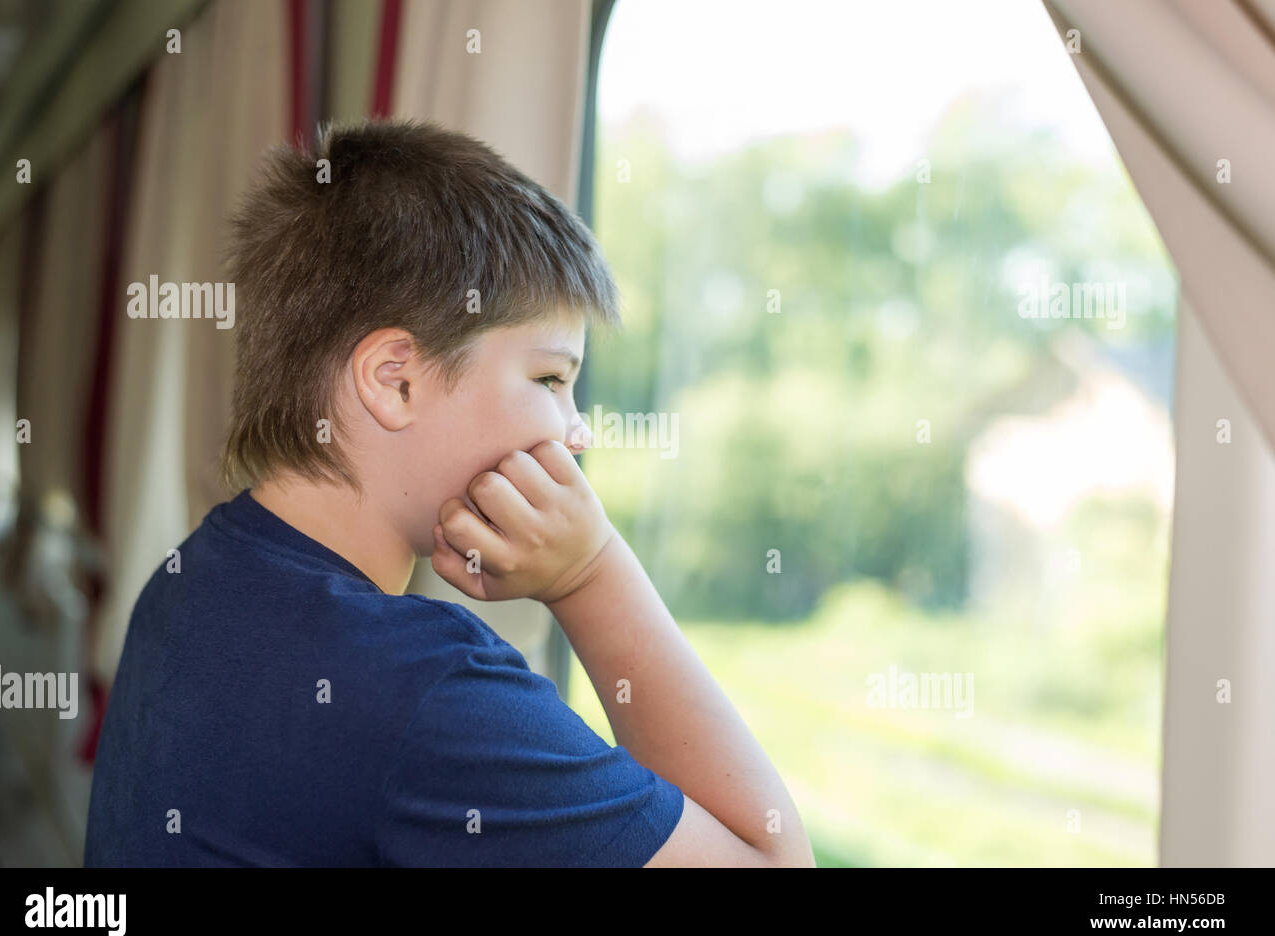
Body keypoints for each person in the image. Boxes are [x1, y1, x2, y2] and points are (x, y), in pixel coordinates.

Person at [83, 118, 815, 867]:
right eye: (550, 380)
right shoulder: (428, 692)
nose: (576, 429)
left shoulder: (191, 575)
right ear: (395, 379)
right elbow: (774, 859)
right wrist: (589, 573)